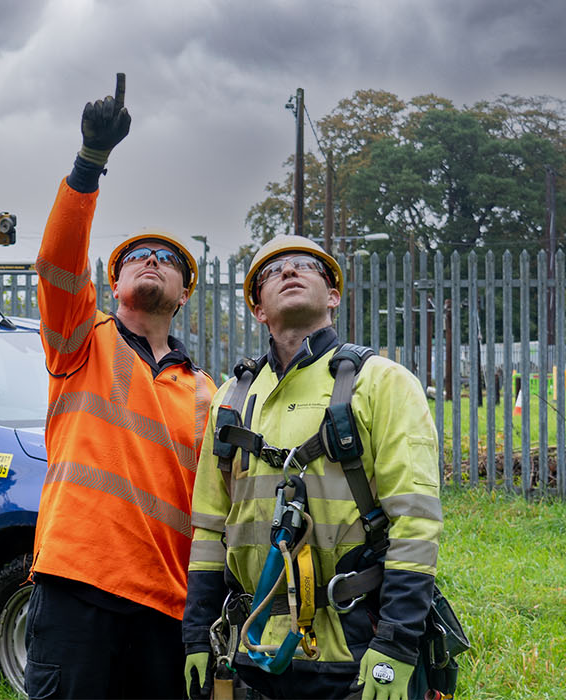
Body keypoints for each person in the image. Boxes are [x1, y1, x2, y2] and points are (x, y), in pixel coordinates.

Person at [180, 236, 442, 700]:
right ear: (259, 308)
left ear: (333, 296)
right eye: (271, 272)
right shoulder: (231, 399)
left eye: (305, 266)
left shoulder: (381, 382)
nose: (289, 272)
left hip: (353, 647)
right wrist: (199, 635)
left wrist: (397, 645)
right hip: (252, 651)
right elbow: (207, 529)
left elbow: (415, 522)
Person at [26, 73, 216, 700]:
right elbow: (56, 261)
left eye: (167, 258)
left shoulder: (207, 394)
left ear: (184, 294)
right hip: (77, 582)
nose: (153, 260)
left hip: (168, 604)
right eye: (138, 256)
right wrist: (90, 163)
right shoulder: (82, 339)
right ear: (113, 285)